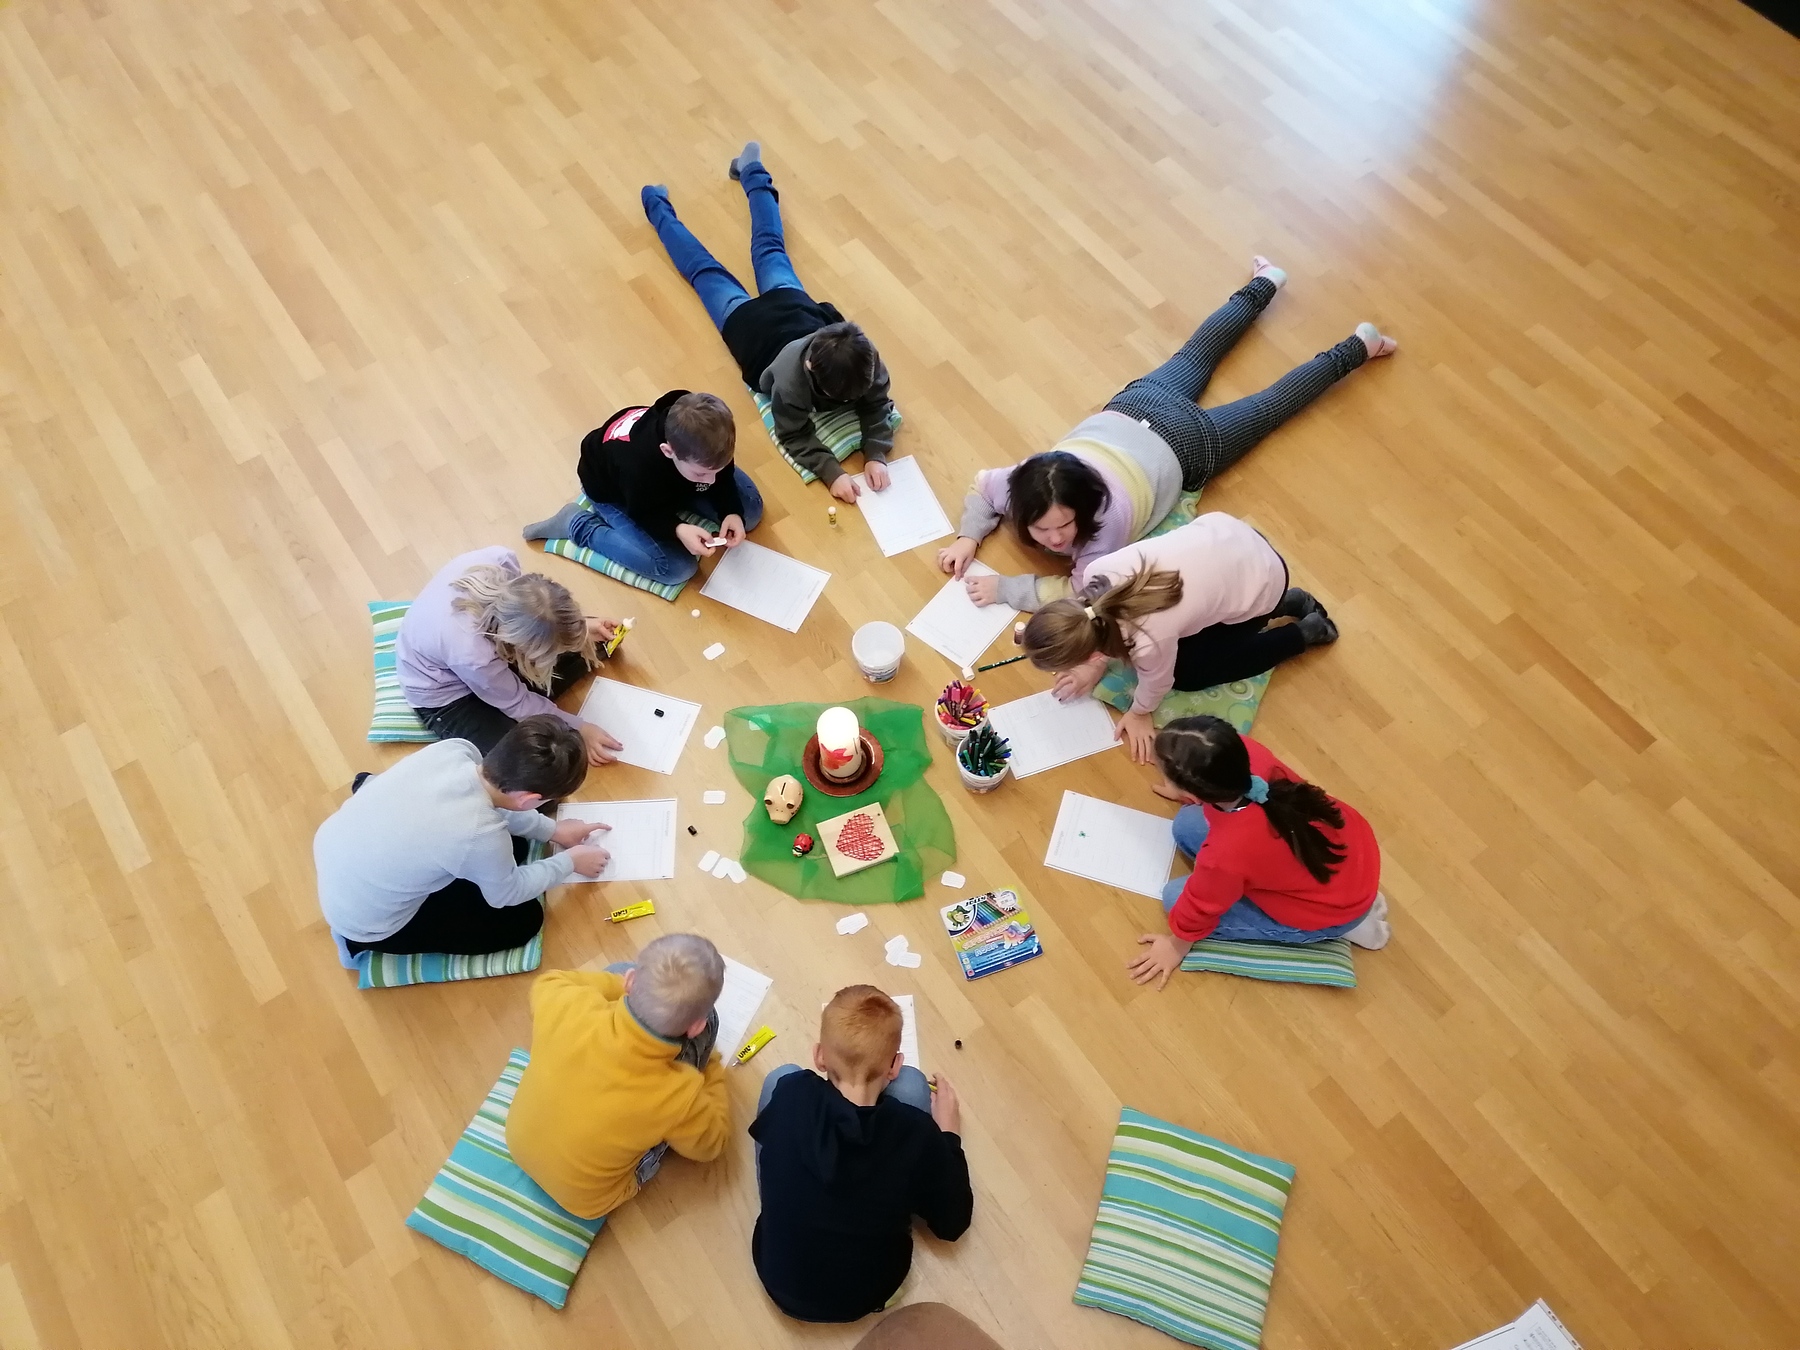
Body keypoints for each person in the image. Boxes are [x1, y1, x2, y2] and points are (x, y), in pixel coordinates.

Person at [937, 258, 1396, 611]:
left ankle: (1358, 346)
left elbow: (1082, 590)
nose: (1056, 541)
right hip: (1136, 407)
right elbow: (983, 487)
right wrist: (967, 537)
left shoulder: (1103, 529)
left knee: (1270, 406)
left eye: (1065, 526)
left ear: (1086, 507)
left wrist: (1006, 588)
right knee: (1199, 352)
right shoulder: (1018, 485)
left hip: (1187, 444)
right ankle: (1268, 282)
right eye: (1043, 528)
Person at [641, 142, 898, 504]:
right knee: (703, 269)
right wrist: (831, 471)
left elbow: (878, 402)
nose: (851, 402)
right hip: (746, 323)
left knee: (768, 247)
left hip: (790, 300)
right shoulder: (791, 384)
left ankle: (749, 170)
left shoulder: (865, 358)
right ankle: (655, 202)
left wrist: (876, 452)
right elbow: (792, 433)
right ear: (810, 367)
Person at [1017, 513, 1337, 760]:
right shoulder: (1095, 575)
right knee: (1195, 617)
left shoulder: (1147, 641)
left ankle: (1304, 632)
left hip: (1264, 580)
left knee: (1188, 673)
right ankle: (1285, 602)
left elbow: (1158, 682)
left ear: (1094, 654)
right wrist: (1092, 664)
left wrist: (1139, 711)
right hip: (1232, 534)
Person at [749, 986, 972, 1323]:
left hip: (779, 1281)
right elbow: (953, 1224)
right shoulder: (914, 1133)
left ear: (819, 1056)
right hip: (869, 1293)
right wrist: (949, 1135)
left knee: (780, 1077)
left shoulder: (792, 1095)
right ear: (894, 1065)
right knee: (913, 1085)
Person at [1129, 716, 1390, 989]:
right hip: (1354, 858)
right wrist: (1188, 790)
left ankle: (1352, 927)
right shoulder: (1249, 754)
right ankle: (1354, 910)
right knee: (1187, 824)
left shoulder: (1225, 853)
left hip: (1335, 908)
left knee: (1175, 898)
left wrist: (1175, 946)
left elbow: (1199, 909)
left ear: (1195, 792)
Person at [315, 716, 608, 956]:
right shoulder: (480, 835)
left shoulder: (456, 749)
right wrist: (569, 862)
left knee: (511, 849)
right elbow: (506, 894)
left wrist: (553, 830)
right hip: (371, 924)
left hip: (348, 854)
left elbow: (492, 803)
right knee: (524, 918)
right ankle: (357, 945)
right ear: (530, 798)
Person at [506, 934, 731, 1220]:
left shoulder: (566, 1001)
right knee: (712, 1018)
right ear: (694, 1028)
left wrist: (622, 989)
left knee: (615, 968)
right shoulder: (678, 1092)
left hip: (517, 1141)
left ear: (630, 981)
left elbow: (548, 981)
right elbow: (713, 1143)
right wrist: (710, 1068)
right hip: (589, 1201)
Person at [397, 546, 624, 765]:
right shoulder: (475, 654)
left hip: (473, 657)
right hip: (445, 698)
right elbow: (518, 703)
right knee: (525, 762)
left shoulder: (501, 559)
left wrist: (582, 628)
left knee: (597, 644)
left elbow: (536, 613)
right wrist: (578, 728)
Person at [522, 389, 765, 588]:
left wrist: (731, 510)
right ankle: (577, 524)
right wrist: (677, 528)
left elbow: (719, 475)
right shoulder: (637, 468)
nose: (711, 481)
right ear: (668, 451)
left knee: (750, 512)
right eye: (702, 474)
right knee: (677, 568)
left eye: (717, 469)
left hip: (666, 480)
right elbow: (644, 512)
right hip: (618, 494)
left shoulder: (698, 427)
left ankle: (697, 480)